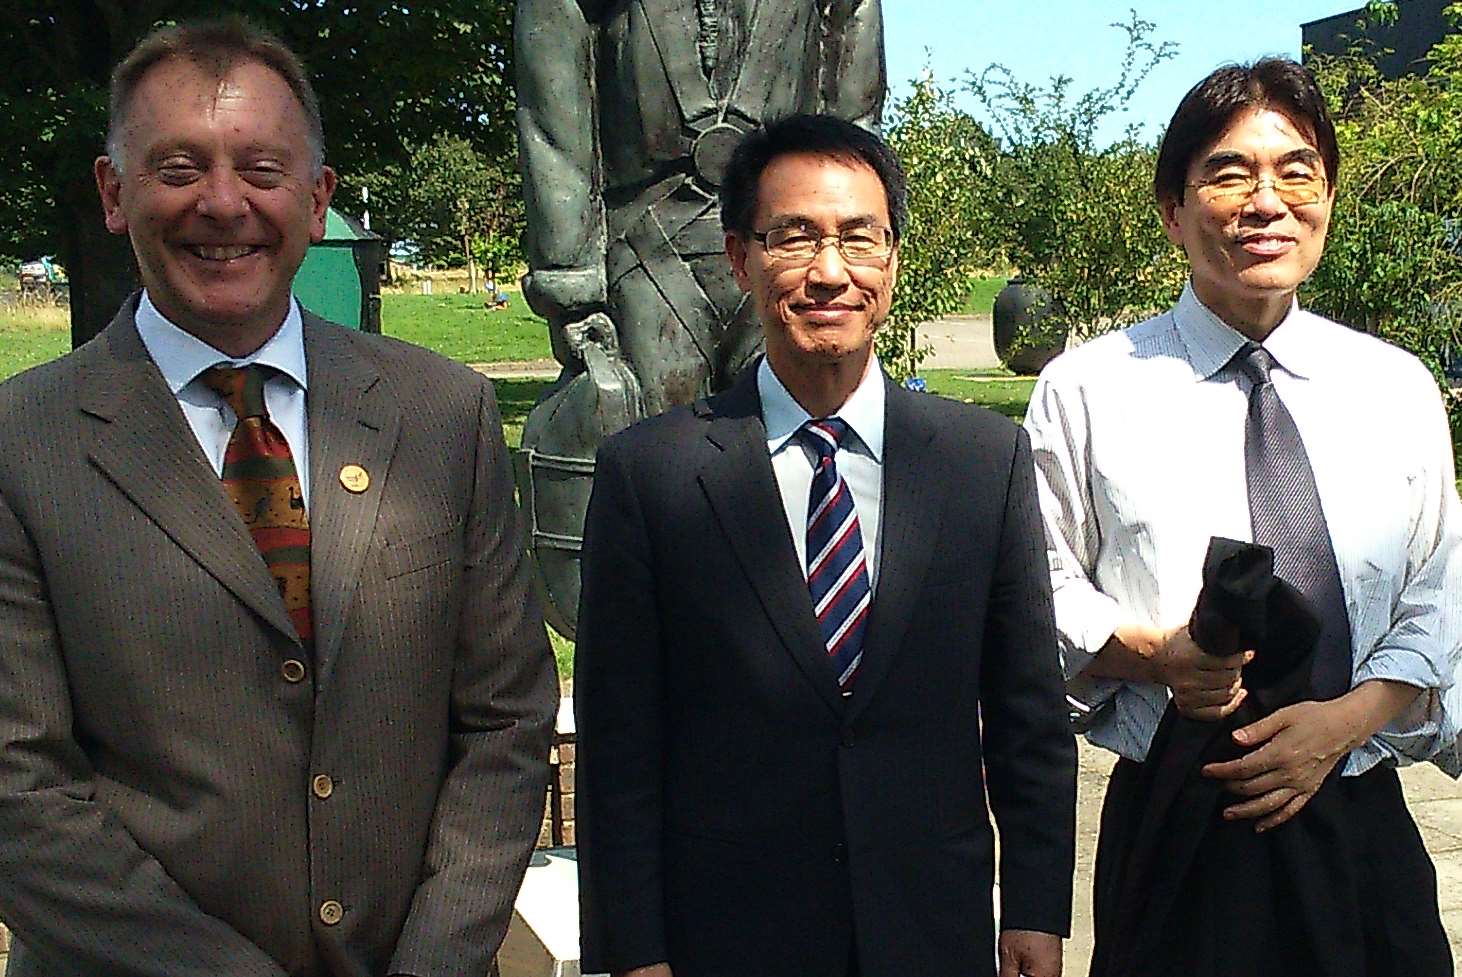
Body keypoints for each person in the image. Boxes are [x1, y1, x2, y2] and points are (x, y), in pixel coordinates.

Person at [0, 19, 558, 977]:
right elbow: (20, 789)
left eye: (261, 170)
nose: (224, 204)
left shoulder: (441, 413)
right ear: (112, 193)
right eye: (178, 168)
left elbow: (504, 720)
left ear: (315, 198)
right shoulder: (21, 445)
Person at [575, 114, 1077, 977]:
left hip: (931, 928)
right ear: (742, 258)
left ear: (891, 259)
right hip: (727, 934)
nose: (828, 271)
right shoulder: (649, 474)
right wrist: (631, 948)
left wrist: (1036, 907)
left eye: (858, 238)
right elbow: (620, 742)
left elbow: (1028, 713)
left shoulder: (983, 462)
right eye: (794, 237)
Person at [1024, 57, 1462, 975]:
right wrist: (1153, 654)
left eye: (1296, 171)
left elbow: (1441, 587)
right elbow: (1038, 583)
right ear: (1172, 209)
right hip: (1179, 817)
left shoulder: (1393, 387)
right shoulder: (1089, 389)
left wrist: (1345, 721)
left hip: (1358, 806)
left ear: (1328, 197)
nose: (1267, 200)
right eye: (1229, 173)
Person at [512, 0, 885, 635]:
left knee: (798, 470)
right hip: (644, 243)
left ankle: (800, 656)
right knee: (659, 484)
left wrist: (841, 231)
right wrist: (572, 283)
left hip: (787, 243)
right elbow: (553, 107)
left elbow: (852, 95)